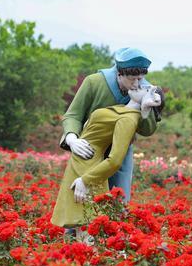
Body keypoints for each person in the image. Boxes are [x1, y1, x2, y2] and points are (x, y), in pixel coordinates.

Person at [51, 86, 164, 241]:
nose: (140, 85)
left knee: (85, 233)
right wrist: (73, 139)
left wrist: (86, 180)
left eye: (146, 89)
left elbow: (116, 160)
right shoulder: (121, 109)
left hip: (87, 170)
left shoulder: (128, 119)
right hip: (78, 163)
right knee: (73, 233)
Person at [59, 47, 163, 204]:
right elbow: (73, 114)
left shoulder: (145, 90)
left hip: (119, 152)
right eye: (132, 79)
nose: (136, 84)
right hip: (89, 148)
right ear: (119, 73)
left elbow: (147, 130)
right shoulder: (94, 82)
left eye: (140, 79)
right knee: (78, 199)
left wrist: (146, 109)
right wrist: (72, 139)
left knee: (118, 200)